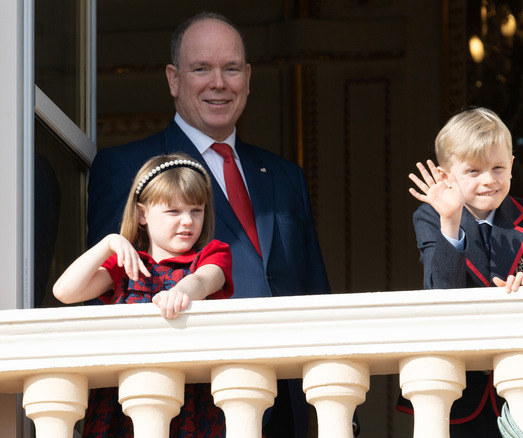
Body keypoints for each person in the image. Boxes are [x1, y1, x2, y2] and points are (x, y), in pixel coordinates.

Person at [86, 12, 331, 438]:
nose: (219, 82)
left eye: (231, 68)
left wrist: (336, 406)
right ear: (173, 79)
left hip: (286, 406)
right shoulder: (126, 167)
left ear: (248, 78)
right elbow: (104, 298)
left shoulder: (285, 175)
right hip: (186, 406)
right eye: (201, 68)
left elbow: (315, 290)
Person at [399, 107, 523, 436]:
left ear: (512, 163)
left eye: (498, 167)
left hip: (521, 384)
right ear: (445, 176)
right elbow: (440, 292)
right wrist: (450, 221)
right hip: (459, 392)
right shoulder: (430, 218)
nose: (489, 179)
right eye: (473, 170)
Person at [54, 153, 233, 436]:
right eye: (173, 211)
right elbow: (65, 291)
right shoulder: (127, 265)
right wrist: (109, 243)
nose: (187, 221)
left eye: (196, 210)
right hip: (124, 396)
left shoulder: (212, 254)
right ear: (141, 214)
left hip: (191, 398)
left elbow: (203, 280)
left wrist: (179, 292)